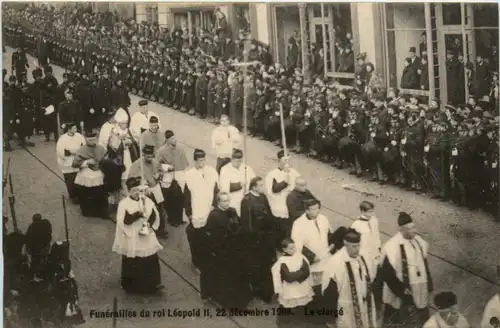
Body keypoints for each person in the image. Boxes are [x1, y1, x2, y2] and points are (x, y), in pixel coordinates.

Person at [111, 177, 164, 294]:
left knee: (150, 257)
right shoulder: (124, 204)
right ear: (129, 191)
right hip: (132, 235)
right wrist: (137, 214)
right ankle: (132, 285)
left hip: (145, 233)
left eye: (138, 190)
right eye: (133, 190)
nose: (137, 193)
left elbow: (154, 213)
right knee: (133, 259)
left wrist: (150, 223)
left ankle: (152, 283)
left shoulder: (145, 200)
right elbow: (123, 221)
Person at [380, 212, 433, 328]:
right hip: (401, 291)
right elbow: (386, 273)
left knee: (421, 317)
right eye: (410, 228)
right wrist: (401, 289)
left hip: (419, 288)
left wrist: (429, 282)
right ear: (402, 230)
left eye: (414, 227)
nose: (414, 230)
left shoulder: (418, 242)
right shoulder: (392, 246)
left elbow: (424, 263)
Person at [203, 192, 252, 308]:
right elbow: (212, 234)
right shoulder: (214, 215)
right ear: (218, 202)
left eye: (227, 201)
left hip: (234, 248)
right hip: (223, 250)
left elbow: (239, 224)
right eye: (224, 201)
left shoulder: (232, 211)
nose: (226, 203)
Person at [321, 228, 378, 328]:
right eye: (354, 246)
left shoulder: (363, 257)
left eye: (359, 245)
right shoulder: (336, 262)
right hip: (347, 306)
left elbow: (371, 276)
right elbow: (329, 291)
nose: (357, 249)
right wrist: (331, 315)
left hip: (365, 303)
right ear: (345, 243)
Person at [240, 176, 275, 303]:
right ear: (253, 186)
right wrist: (252, 240)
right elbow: (247, 223)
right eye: (260, 185)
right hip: (255, 240)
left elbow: (269, 215)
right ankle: (256, 289)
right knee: (256, 265)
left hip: (265, 238)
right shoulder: (247, 201)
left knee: (266, 265)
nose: (263, 187)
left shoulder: (263, 197)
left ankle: (265, 290)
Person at [184, 149, 219, 269]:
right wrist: (189, 213)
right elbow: (187, 196)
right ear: (195, 161)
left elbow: (216, 190)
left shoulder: (211, 171)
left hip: (209, 208)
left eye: (204, 160)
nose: (202, 163)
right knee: (197, 237)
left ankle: (208, 258)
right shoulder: (190, 175)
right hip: (197, 210)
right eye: (199, 161)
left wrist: (214, 204)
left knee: (209, 236)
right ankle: (197, 261)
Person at [271, 237, 314, 328]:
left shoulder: (300, 256)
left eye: (294, 247)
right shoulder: (282, 261)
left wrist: (298, 275)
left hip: (302, 287)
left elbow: (306, 270)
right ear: (284, 249)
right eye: (291, 248)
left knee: (302, 305)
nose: (294, 249)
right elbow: (288, 277)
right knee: (290, 308)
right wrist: (300, 274)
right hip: (290, 289)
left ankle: (301, 321)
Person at [291, 199, 333, 290]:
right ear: (307, 211)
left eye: (318, 208)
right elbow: (297, 245)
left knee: (327, 283)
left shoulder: (323, 219)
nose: (317, 211)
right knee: (315, 287)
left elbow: (328, 234)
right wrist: (312, 257)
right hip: (313, 260)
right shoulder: (298, 224)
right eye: (314, 209)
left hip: (326, 256)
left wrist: (332, 246)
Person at [128, 145, 167, 239]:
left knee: (160, 210)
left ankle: (160, 230)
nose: (150, 159)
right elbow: (132, 179)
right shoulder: (136, 164)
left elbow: (161, 171)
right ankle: (149, 229)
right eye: (147, 156)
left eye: (151, 156)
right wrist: (141, 183)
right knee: (148, 211)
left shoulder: (155, 162)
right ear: (143, 155)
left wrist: (159, 175)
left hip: (156, 188)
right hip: (145, 190)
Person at [72, 130, 109, 219]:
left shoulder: (101, 148)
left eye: (93, 140)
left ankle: (100, 211)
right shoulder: (82, 149)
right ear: (86, 139)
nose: (91, 142)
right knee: (85, 194)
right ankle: (87, 211)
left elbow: (105, 159)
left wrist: (102, 163)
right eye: (89, 140)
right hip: (86, 174)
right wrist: (87, 162)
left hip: (98, 174)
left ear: (96, 139)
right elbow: (75, 163)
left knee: (99, 193)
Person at [266, 150, 300, 244]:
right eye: (284, 160)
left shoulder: (293, 171)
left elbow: (299, 183)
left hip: (292, 202)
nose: (287, 163)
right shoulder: (272, 174)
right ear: (279, 161)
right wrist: (285, 181)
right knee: (281, 226)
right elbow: (274, 190)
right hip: (280, 202)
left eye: (288, 160)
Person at [156, 130, 190, 227]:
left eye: (175, 138)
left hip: (180, 174)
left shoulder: (180, 148)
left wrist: (186, 174)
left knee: (180, 197)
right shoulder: (161, 150)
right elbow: (157, 164)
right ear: (167, 140)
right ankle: (171, 219)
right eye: (172, 139)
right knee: (170, 198)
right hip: (168, 176)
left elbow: (185, 163)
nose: (174, 140)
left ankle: (179, 218)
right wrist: (166, 167)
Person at [219, 148, 255, 216]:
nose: (238, 164)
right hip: (232, 202)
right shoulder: (225, 169)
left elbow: (254, 181)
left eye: (240, 161)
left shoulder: (247, 168)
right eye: (236, 161)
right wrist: (239, 185)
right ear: (232, 159)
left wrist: (250, 185)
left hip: (245, 201)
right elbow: (224, 188)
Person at [55, 122, 85, 203]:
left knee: (78, 178)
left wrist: (79, 153)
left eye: (76, 128)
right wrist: (71, 152)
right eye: (74, 128)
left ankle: (79, 195)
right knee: (70, 180)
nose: (76, 129)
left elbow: (84, 146)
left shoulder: (79, 136)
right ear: (69, 129)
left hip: (77, 161)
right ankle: (73, 196)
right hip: (67, 163)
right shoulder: (62, 138)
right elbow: (60, 151)